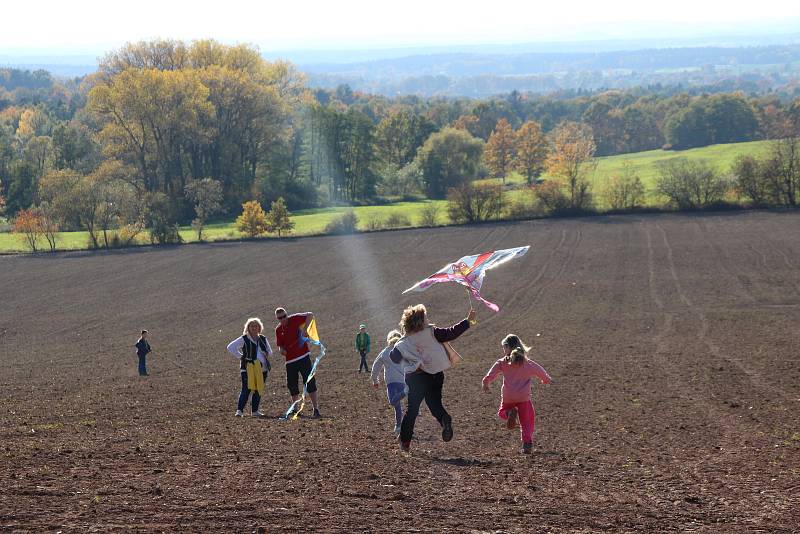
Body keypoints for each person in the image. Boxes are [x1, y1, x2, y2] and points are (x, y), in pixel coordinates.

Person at [389, 304, 476, 452]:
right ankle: (444, 419)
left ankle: (405, 443)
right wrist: (467, 321)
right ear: (421, 321)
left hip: (417, 378)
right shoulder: (432, 332)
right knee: (435, 404)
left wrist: (409, 360)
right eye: (426, 317)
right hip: (436, 374)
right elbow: (451, 333)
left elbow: (394, 357)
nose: (428, 319)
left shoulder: (404, 342)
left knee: (412, 410)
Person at [482, 334, 552, 454]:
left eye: (504, 347)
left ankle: (509, 413)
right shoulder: (528, 363)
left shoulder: (502, 362)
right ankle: (527, 444)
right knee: (527, 421)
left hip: (509, 396)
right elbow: (541, 372)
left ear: (508, 347)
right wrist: (546, 380)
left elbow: (491, 374)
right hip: (523, 397)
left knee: (501, 412)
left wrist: (485, 383)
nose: (503, 350)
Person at [275, 307, 321, 418]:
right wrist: (281, 351)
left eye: (284, 316)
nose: (282, 319)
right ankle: (295, 408)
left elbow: (310, 314)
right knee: (292, 385)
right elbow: (280, 346)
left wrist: (305, 329)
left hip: (304, 357)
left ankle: (316, 409)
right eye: (279, 318)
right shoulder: (278, 330)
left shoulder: (295, 319)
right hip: (290, 361)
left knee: (310, 382)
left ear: (287, 314)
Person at [227, 318, 273, 417]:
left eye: (256, 326)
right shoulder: (244, 338)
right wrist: (242, 357)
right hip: (248, 368)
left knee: (258, 389)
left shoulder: (263, 339)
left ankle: (255, 411)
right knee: (246, 389)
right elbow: (230, 347)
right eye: (251, 326)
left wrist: (266, 353)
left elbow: (270, 351)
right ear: (248, 327)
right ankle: (239, 411)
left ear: (259, 327)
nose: (254, 328)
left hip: (262, 368)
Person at [370, 329, 405, 435]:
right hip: (402, 381)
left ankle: (398, 426)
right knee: (397, 404)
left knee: (394, 402)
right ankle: (398, 426)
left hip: (391, 382)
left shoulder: (385, 351)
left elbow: (376, 365)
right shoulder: (403, 349)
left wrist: (375, 379)